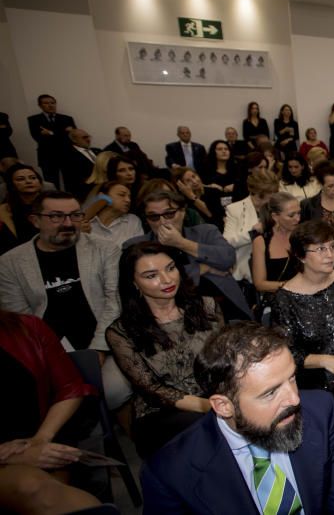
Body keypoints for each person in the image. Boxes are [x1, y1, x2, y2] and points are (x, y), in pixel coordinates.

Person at [141, 322, 334, 514]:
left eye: (292, 378)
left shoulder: (322, 412)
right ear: (223, 406)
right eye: (270, 393)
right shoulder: (170, 474)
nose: (294, 399)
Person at [0, 191, 129, 408]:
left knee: (114, 390)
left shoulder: (105, 249)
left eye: (75, 215)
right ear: (35, 220)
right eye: (56, 216)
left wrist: (97, 349)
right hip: (46, 350)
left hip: (102, 342)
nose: (68, 223)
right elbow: (20, 320)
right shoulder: (10, 263)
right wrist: (53, 358)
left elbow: (114, 302)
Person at [106, 242, 221, 458]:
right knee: (208, 430)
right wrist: (209, 406)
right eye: (151, 276)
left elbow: (226, 359)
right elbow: (153, 390)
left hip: (215, 397)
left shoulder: (207, 307)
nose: (167, 280)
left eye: (170, 268)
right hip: (162, 414)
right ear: (133, 283)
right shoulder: (121, 332)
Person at [0, 308, 100, 514]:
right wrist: (10, 456)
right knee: (30, 485)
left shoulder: (26, 327)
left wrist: (40, 439)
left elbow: (70, 387)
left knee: (45, 490)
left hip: (44, 436)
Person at [271, 220, 334, 399]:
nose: (330, 255)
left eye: (332, 247)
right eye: (321, 249)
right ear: (300, 256)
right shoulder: (284, 300)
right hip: (316, 387)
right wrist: (325, 360)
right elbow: (286, 353)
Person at [127, 190, 253, 321]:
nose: (162, 222)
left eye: (169, 214)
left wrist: (181, 243)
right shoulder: (136, 246)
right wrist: (202, 268)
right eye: (154, 217)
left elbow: (227, 259)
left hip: (225, 307)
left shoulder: (206, 232)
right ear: (146, 219)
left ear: (182, 212)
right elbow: (136, 284)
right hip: (172, 314)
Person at [223, 169, 280, 283]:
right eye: (266, 195)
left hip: (276, 266)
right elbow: (227, 241)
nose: (271, 199)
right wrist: (252, 232)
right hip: (247, 272)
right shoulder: (235, 209)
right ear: (254, 192)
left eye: (274, 193)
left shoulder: (278, 206)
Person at [251, 192, 300, 302]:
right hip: (278, 301)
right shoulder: (261, 242)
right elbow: (260, 284)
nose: (297, 219)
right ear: (275, 217)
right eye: (291, 215)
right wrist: (292, 287)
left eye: (299, 213)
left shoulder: (303, 236)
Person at [27, 94, 76, 188]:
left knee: (72, 182)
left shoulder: (67, 118)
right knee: (52, 184)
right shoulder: (34, 119)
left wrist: (51, 133)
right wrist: (63, 132)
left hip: (67, 154)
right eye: (46, 103)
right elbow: (38, 137)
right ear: (40, 105)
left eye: (53, 103)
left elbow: (73, 137)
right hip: (47, 156)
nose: (50, 105)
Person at [0, 164, 44, 253]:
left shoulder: (53, 203)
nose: (28, 181)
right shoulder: (4, 209)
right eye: (20, 179)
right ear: (11, 184)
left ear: (40, 183)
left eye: (33, 178)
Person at [87, 180, 143, 247]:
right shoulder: (87, 222)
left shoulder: (132, 221)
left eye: (129, 197)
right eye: (121, 195)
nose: (128, 200)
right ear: (102, 196)